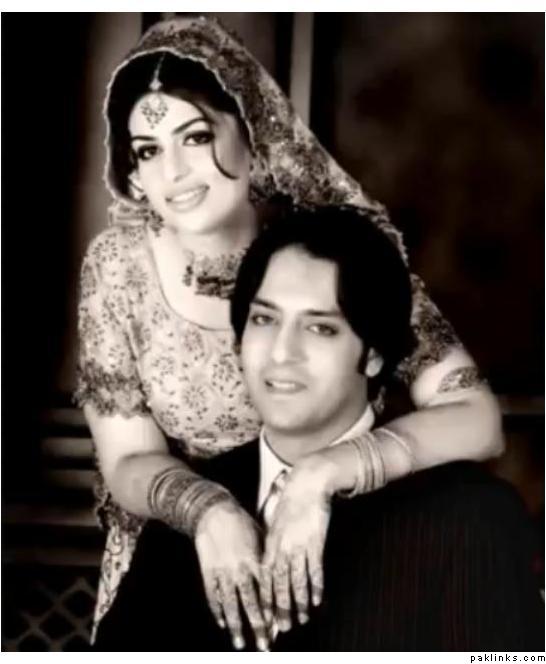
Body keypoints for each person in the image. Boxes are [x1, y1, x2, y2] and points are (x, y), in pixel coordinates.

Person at [76, 16, 504, 648]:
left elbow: (477, 419)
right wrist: (209, 512)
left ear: (252, 133)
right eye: (148, 150)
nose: (174, 172)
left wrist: (322, 475)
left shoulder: (328, 253)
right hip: (185, 555)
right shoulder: (119, 267)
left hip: (341, 531)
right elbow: (127, 458)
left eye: (196, 137)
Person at [93, 206, 543, 651]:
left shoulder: (468, 516)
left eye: (320, 328)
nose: (281, 352)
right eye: (265, 320)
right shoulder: (194, 517)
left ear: (373, 355)